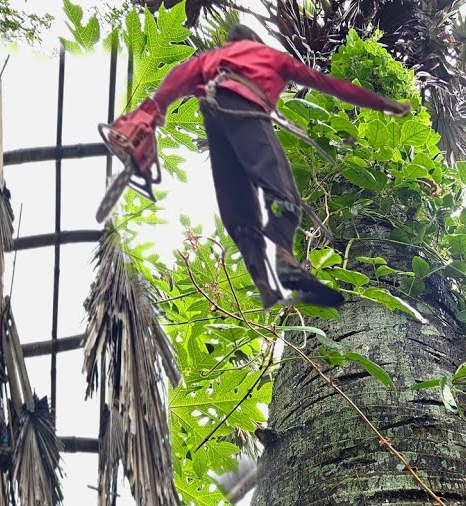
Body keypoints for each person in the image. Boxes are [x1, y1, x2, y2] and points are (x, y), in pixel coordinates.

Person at [112, 23, 412, 309]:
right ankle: (285, 261)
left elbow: (178, 76)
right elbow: (327, 84)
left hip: (215, 114)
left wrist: (155, 109)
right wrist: (384, 103)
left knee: (237, 204)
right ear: (255, 40)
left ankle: (264, 285)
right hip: (246, 110)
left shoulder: (212, 57)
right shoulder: (269, 56)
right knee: (279, 186)